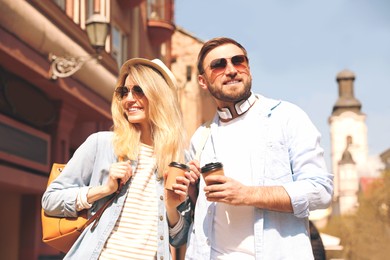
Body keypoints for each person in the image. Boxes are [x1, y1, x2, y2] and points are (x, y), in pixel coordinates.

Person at [170, 37, 334, 259]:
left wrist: (247, 194)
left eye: (238, 61)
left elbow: (321, 190)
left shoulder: (286, 117)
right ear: (202, 81)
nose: (231, 70)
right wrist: (185, 193)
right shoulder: (201, 137)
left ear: (249, 69)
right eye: (218, 65)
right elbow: (183, 230)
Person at [42, 58, 191, 259]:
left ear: (159, 96)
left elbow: (179, 238)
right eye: (124, 92)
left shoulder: (177, 159)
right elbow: (50, 200)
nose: (129, 99)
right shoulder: (102, 144)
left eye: (138, 90)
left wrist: (172, 208)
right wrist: (103, 190)